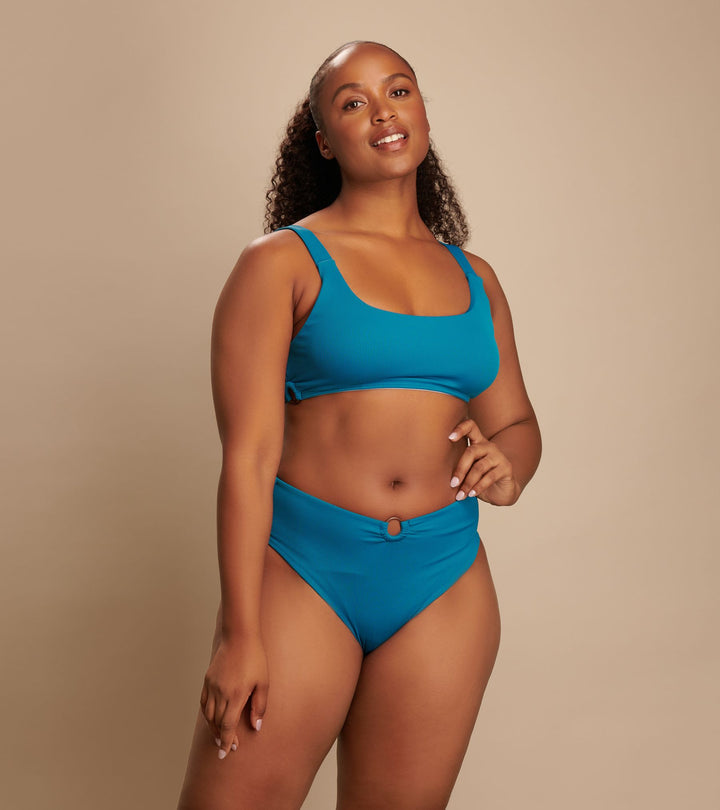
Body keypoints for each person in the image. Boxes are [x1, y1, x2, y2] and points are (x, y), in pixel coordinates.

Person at [177, 39, 541, 810]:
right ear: (323, 140)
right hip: (306, 570)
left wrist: (510, 467)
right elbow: (248, 460)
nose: (382, 111)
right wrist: (240, 634)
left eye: (398, 90)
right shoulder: (280, 263)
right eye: (353, 102)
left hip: (444, 580)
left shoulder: (476, 278)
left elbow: (515, 423)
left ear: (423, 113)